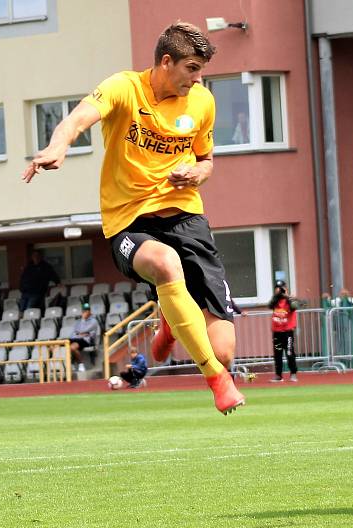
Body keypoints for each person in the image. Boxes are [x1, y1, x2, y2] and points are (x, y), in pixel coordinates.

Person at [22, 21, 245, 415]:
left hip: (187, 219)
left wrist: (196, 173)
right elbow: (76, 119)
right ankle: (215, 380)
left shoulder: (202, 103)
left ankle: (172, 323)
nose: (197, 79)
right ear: (166, 61)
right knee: (164, 263)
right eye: (192, 68)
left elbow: (206, 161)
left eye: (200, 71)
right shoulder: (123, 88)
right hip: (131, 223)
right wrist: (57, 146)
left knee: (224, 350)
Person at [268, 280, 298, 383]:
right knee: (278, 354)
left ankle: (293, 373)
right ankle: (278, 375)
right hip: (277, 331)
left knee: (289, 352)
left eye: (280, 288)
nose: (279, 290)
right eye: (277, 288)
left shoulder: (290, 300)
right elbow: (270, 305)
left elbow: (294, 306)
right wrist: (276, 296)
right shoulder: (275, 300)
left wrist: (287, 296)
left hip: (287, 331)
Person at [69, 303, 100, 371]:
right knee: (64, 345)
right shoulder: (78, 321)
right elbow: (75, 331)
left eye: (87, 310)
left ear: (90, 311)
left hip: (86, 340)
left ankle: (80, 364)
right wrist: (80, 333)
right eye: (84, 310)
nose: (85, 312)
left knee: (72, 347)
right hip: (76, 339)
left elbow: (82, 330)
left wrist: (83, 319)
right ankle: (70, 364)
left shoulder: (93, 321)